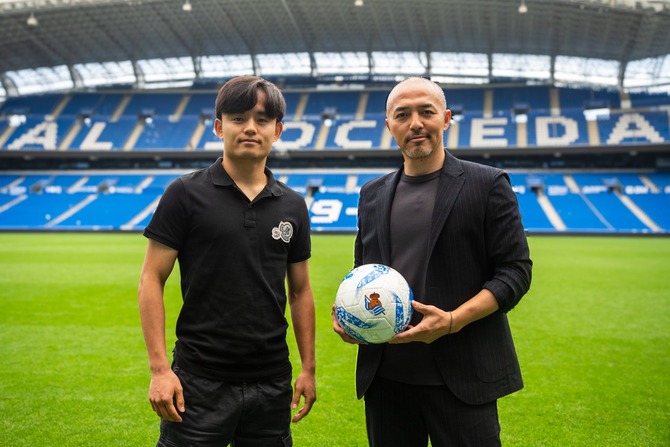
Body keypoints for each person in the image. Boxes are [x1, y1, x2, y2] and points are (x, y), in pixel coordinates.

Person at [332, 77, 532, 446]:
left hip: (463, 377)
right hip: (387, 379)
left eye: (426, 111)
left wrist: (454, 321)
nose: (415, 123)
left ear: (446, 118)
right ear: (389, 125)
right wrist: (350, 316)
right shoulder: (371, 194)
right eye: (402, 115)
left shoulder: (488, 184)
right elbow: (364, 272)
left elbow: (515, 272)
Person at [138, 75, 316, 447]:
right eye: (238, 118)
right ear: (219, 127)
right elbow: (152, 279)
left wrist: (308, 368)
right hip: (199, 381)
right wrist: (159, 369)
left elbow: (300, 291)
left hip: (271, 381)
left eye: (262, 120)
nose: (250, 127)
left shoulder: (293, 205)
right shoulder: (185, 194)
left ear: (277, 131)